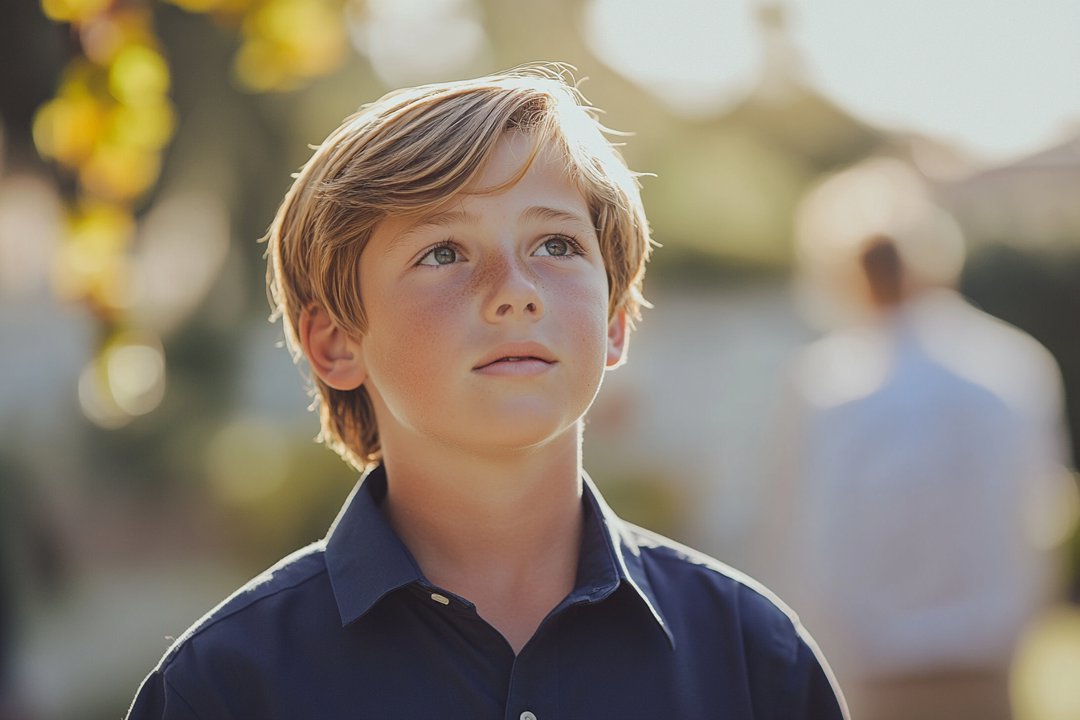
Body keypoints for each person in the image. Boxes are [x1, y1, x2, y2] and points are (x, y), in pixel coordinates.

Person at [125, 64, 846, 719]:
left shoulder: (758, 664)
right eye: (444, 252)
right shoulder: (224, 688)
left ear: (617, 320)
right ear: (336, 343)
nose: (516, 293)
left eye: (556, 245)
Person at [772, 158, 1074, 720]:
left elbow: (808, 540)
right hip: (987, 658)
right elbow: (1042, 515)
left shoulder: (829, 384)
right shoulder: (1013, 367)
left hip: (871, 669)